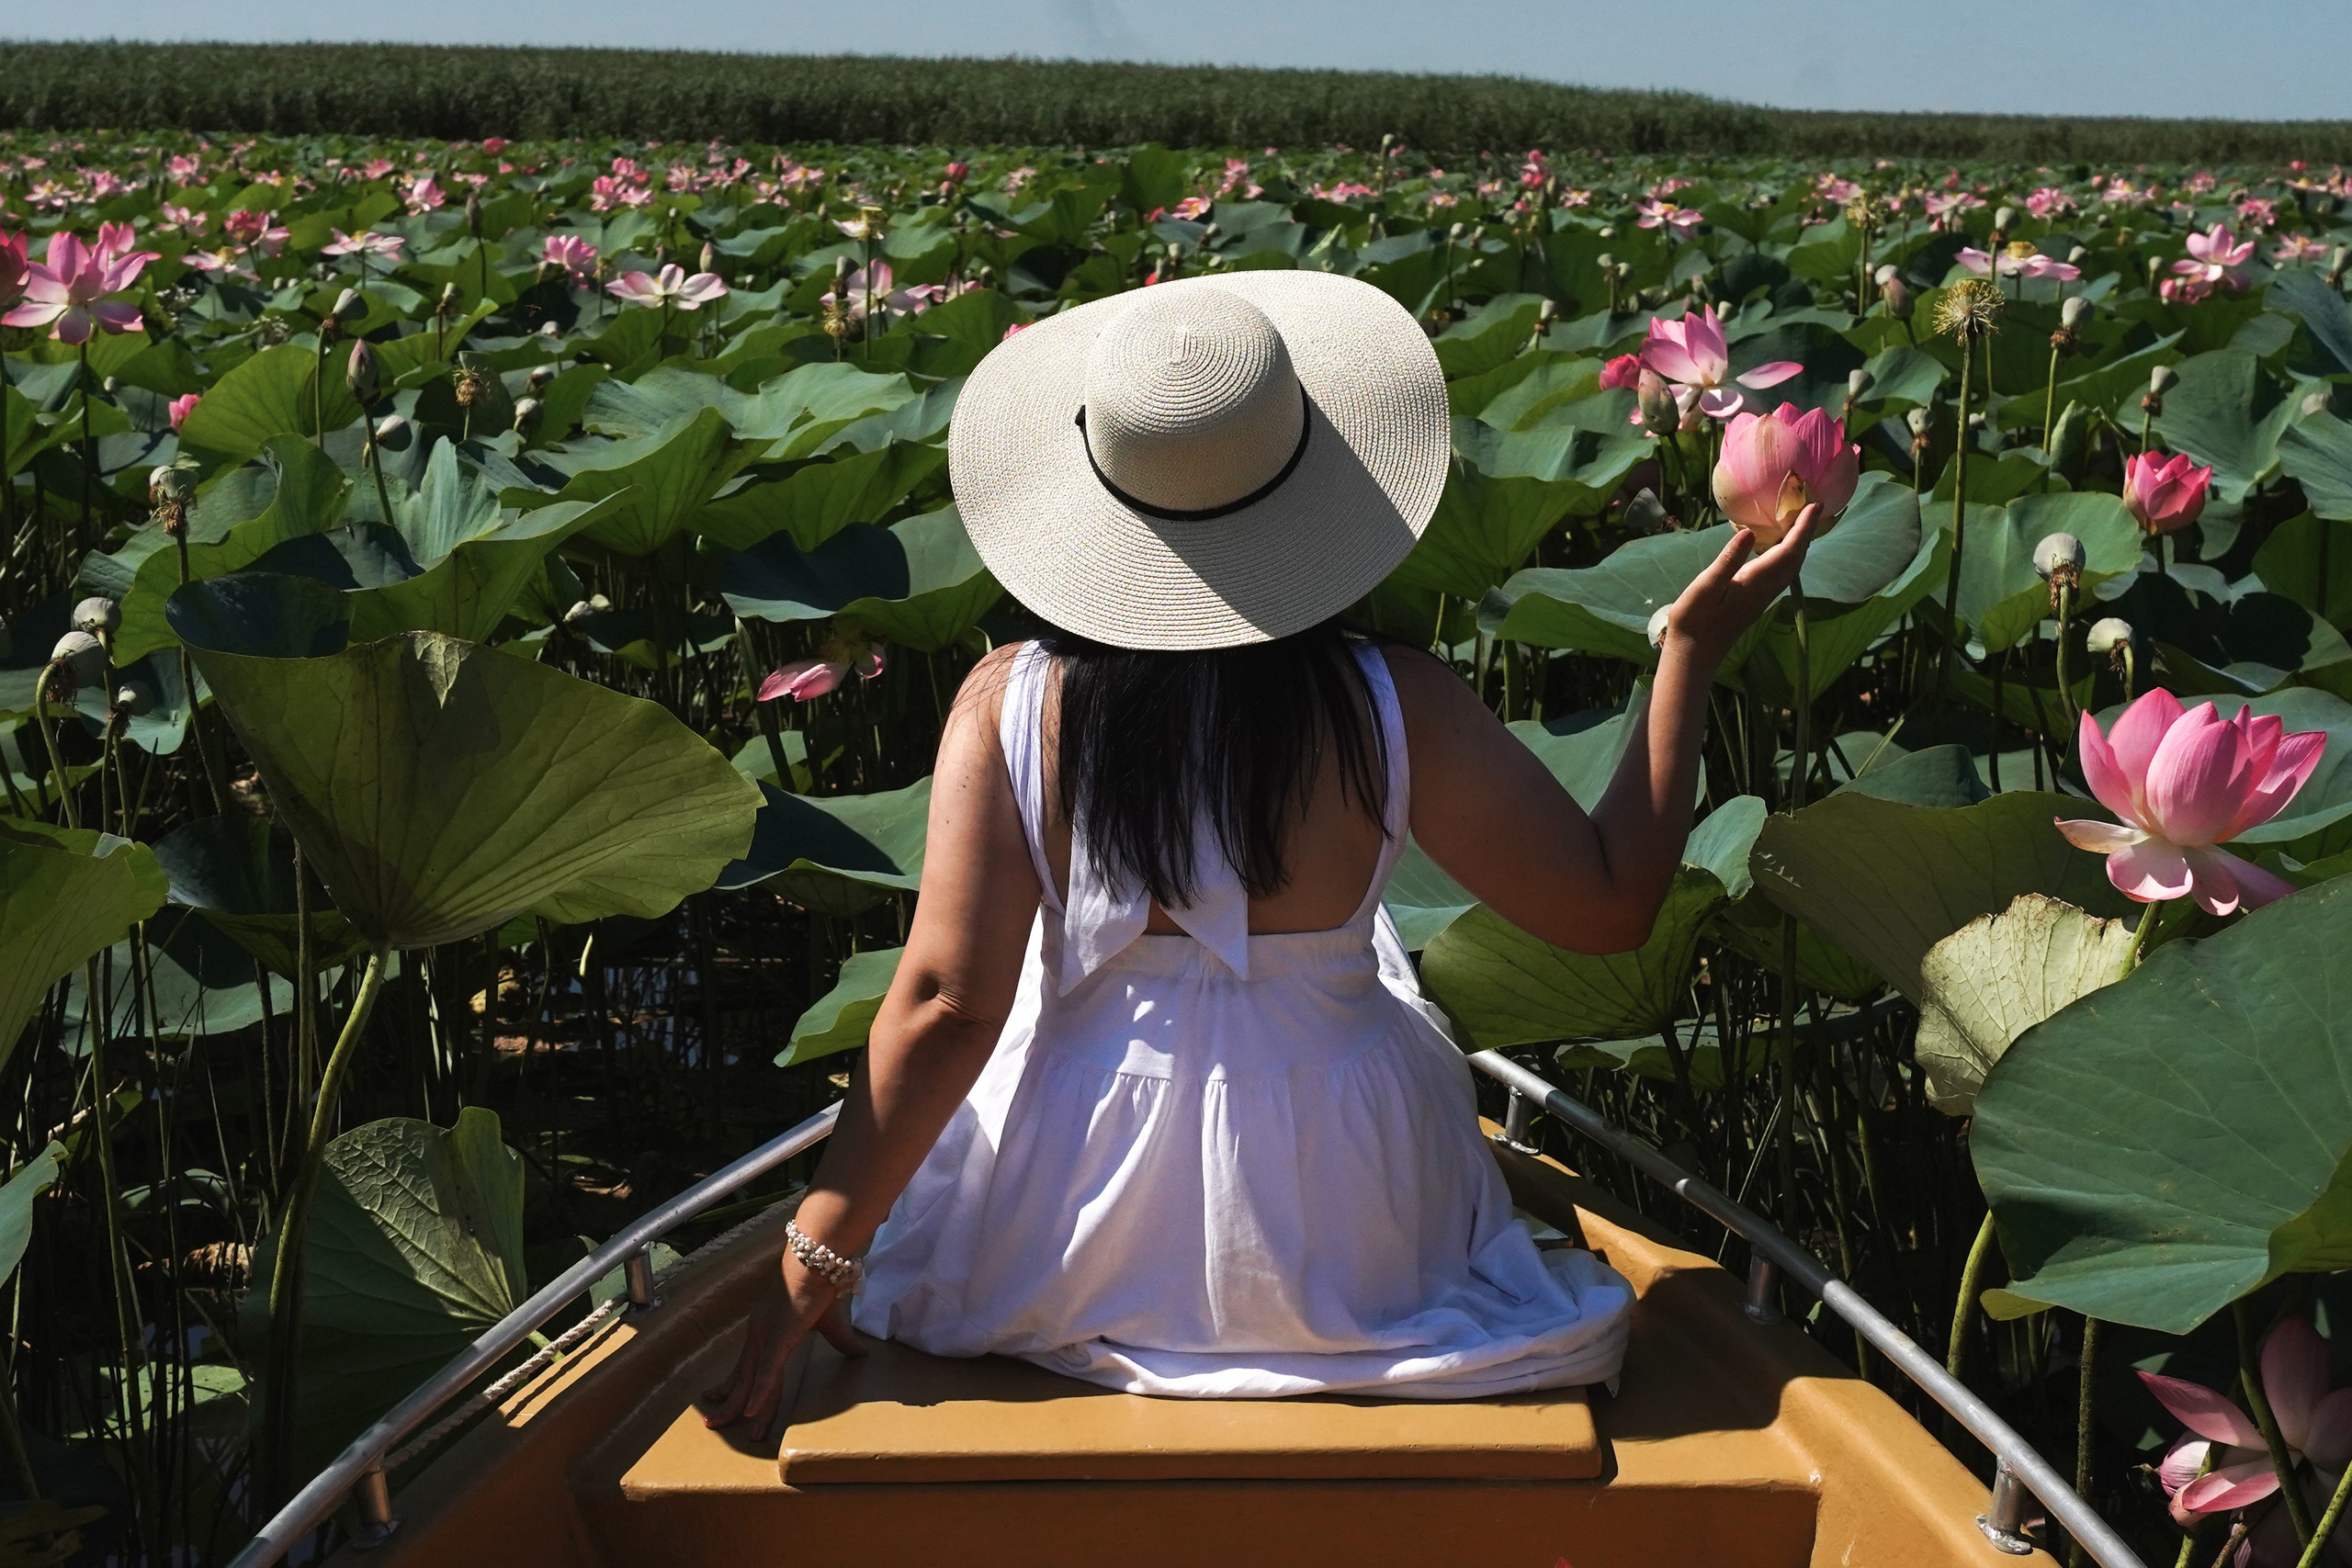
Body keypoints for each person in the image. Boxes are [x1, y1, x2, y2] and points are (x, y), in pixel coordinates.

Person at [704, 272, 1814, 1437]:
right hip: (1351, 1201)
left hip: (1072, 1212)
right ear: (1314, 483)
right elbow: (1610, 907)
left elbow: (942, 1006)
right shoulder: (1396, 702)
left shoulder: (1008, 703)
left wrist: (817, 1255)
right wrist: (1686, 653)